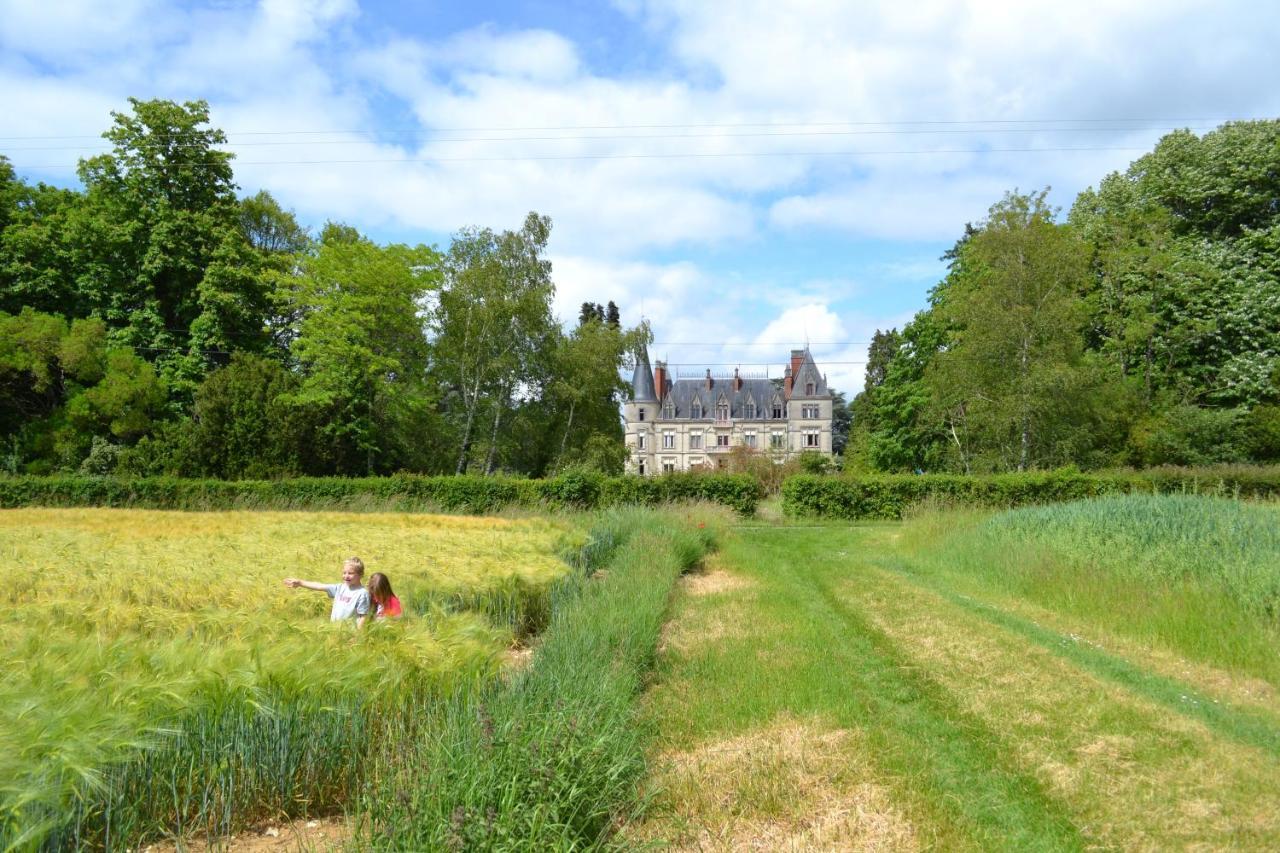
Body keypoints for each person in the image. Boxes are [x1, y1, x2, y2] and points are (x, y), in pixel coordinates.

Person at [283, 556, 371, 626]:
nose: (346, 576)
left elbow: (363, 617)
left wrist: (356, 637)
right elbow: (319, 586)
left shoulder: (362, 593)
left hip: (349, 633)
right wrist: (300, 582)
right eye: (344, 573)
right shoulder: (340, 588)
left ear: (360, 575)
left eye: (350, 573)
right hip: (334, 629)